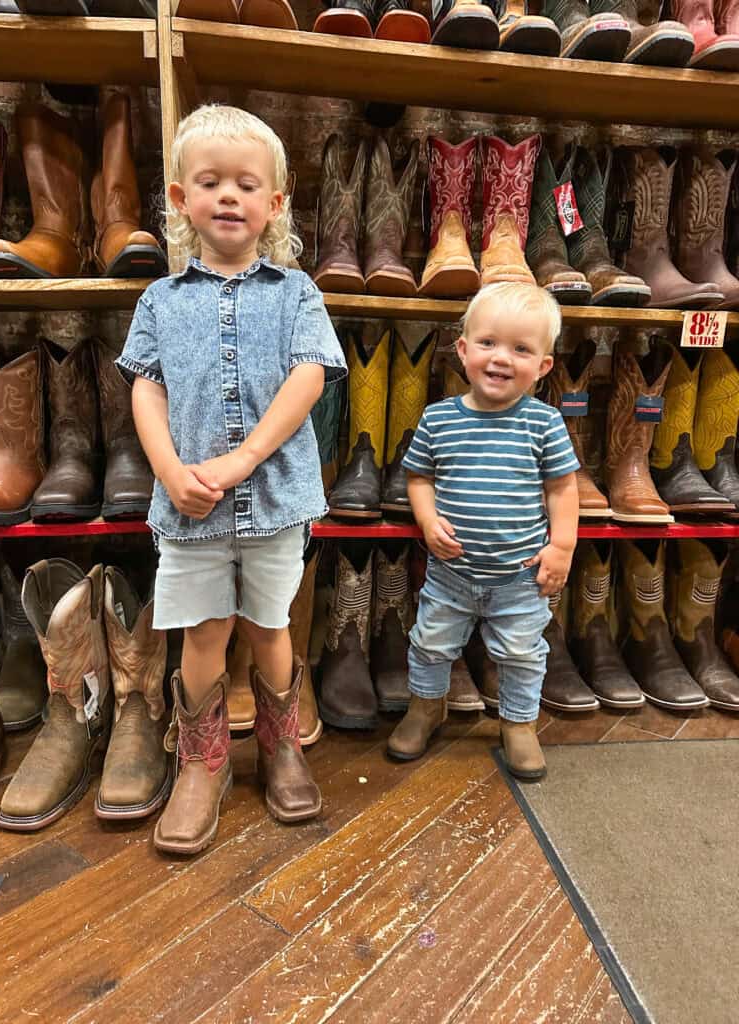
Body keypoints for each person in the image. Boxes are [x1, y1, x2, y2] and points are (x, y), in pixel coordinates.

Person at [116, 105, 346, 855]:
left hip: (274, 500)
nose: (228, 196)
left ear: (273, 204)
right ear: (180, 198)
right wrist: (167, 469)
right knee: (204, 631)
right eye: (210, 181)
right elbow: (145, 386)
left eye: (247, 184)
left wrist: (246, 458)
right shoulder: (160, 300)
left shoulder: (297, 293)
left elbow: (309, 377)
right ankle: (201, 765)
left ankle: (281, 747)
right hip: (189, 508)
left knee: (271, 627)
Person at [386, 282, 579, 780]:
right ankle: (427, 707)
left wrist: (562, 545)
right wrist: (427, 519)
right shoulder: (439, 419)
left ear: (543, 366)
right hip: (450, 572)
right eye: (489, 343)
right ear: (464, 350)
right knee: (429, 642)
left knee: (521, 652)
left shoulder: (544, 424)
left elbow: (562, 489)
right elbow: (419, 476)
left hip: (520, 576)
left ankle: (518, 722)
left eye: (521, 349)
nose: (501, 359)